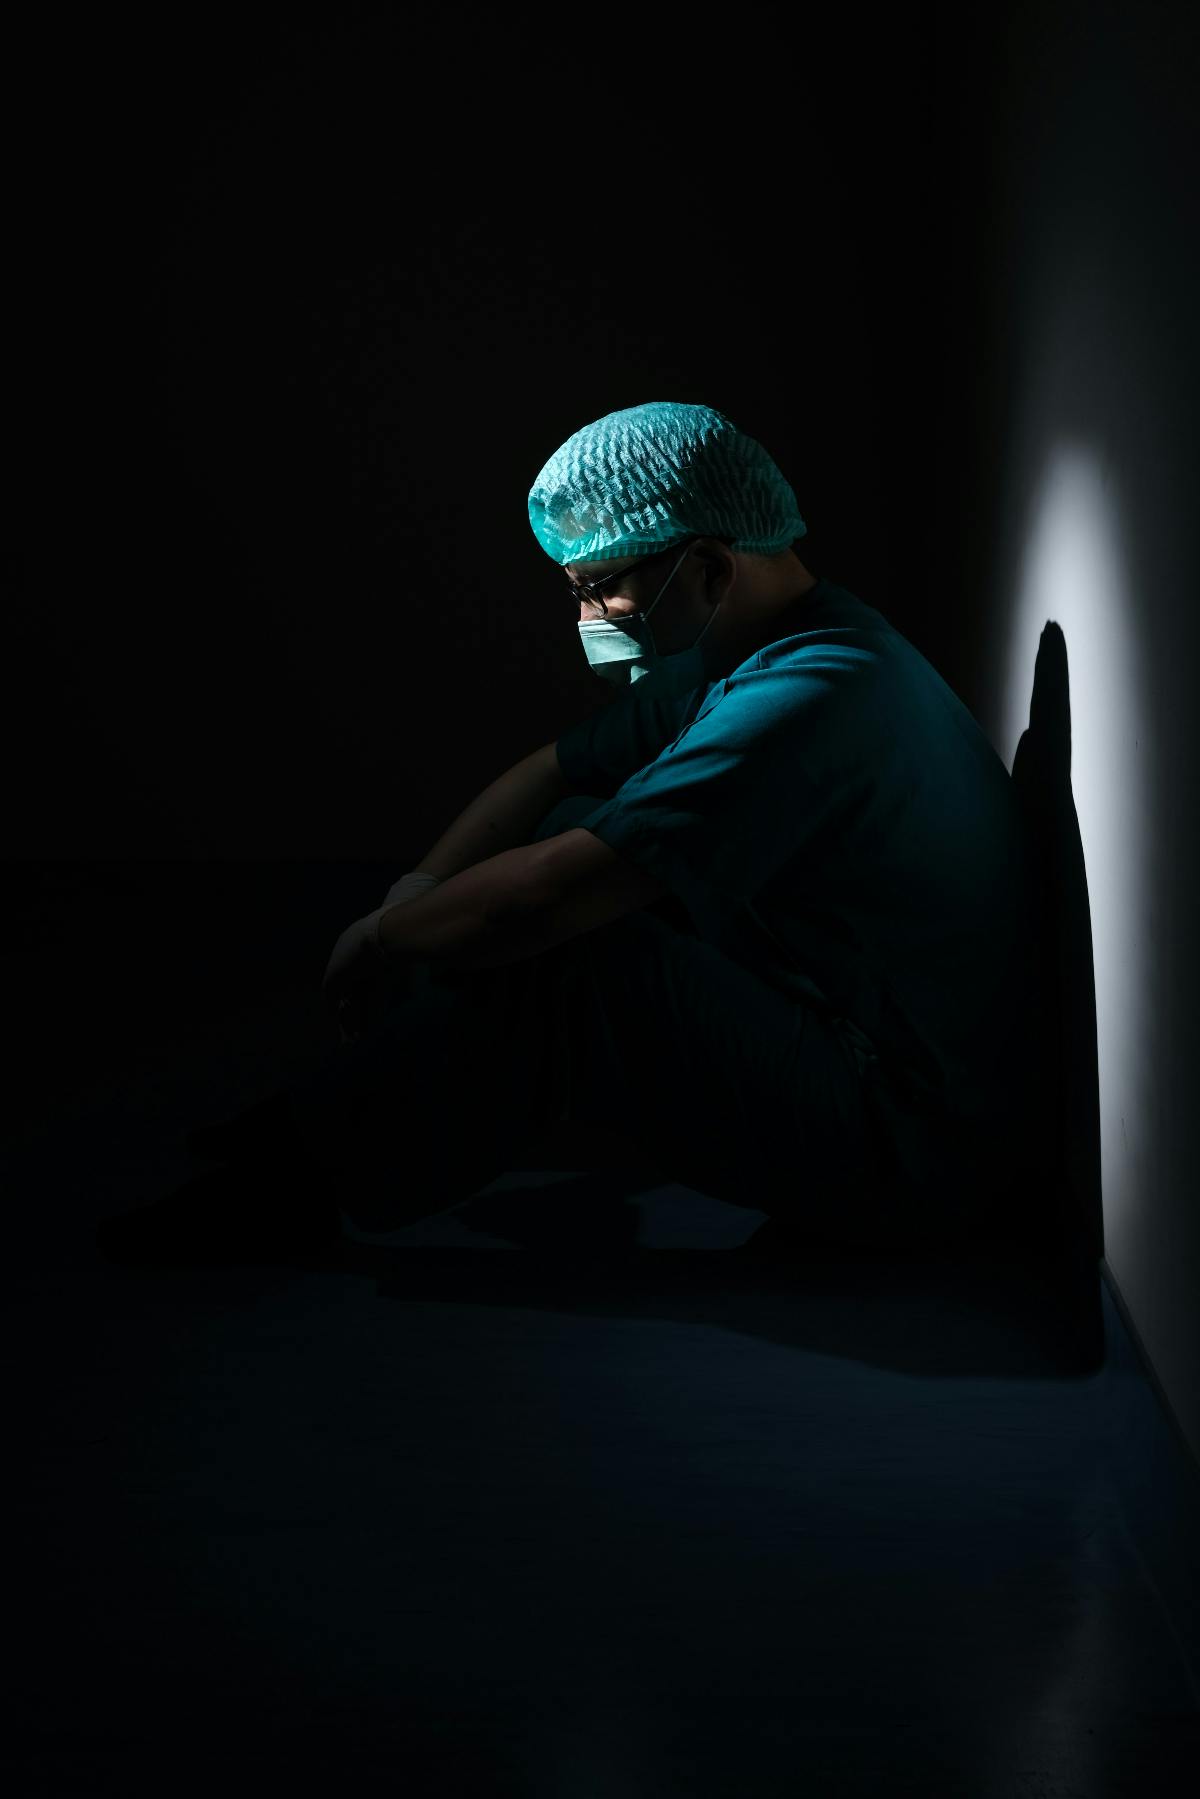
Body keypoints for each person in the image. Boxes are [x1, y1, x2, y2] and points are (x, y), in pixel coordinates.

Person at [97, 400, 1052, 1267]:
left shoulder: (807, 702)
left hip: (917, 1153)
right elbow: (552, 771)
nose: (591, 620)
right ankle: (331, 1119)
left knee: (574, 951)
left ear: (711, 566)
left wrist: (380, 942)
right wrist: (415, 894)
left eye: (602, 588)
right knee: (574, 827)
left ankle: (301, 1181)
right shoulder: (783, 643)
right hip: (859, 1031)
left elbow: (544, 897)